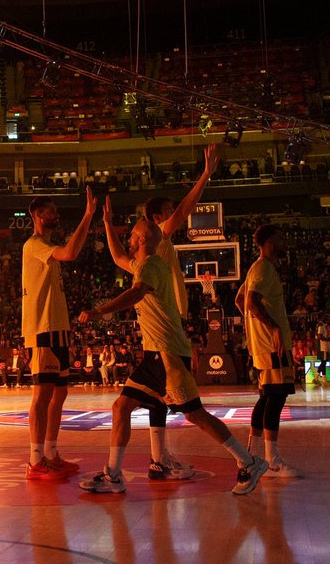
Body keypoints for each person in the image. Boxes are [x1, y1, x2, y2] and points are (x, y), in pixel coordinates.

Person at [79, 212, 267, 495]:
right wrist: (107, 223)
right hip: (156, 355)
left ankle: (249, 462)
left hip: (167, 356)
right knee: (121, 407)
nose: (128, 239)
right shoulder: (144, 264)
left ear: (142, 239)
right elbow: (118, 258)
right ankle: (113, 475)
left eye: (131, 235)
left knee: (195, 415)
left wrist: (99, 311)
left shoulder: (151, 266)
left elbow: (136, 292)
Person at [141, 143, 219, 474]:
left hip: (168, 321)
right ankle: (243, 459)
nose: (176, 214)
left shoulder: (158, 244)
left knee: (158, 394)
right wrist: (205, 175)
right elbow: (187, 209)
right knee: (184, 401)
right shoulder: (158, 236)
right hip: (166, 325)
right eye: (169, 210)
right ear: (158, 218)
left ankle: (159, 458)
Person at [22, 188, 97, 480]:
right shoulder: (34, 245)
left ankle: (51, 452)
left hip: (58, 328)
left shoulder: (46, 246)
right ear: (39, 216)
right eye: (51, 211)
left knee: (60, 393)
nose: (56, 215)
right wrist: (88, 216)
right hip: (42, 328)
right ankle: (34, 460)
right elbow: (70, 252)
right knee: (42, 395)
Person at [236, 225, 301, 479]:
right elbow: (249, 302)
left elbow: (239, 301)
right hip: (271, 345)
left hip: (261, 344)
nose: (285, 242)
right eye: (281, 238)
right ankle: (272, 461)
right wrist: (272, 327)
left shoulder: (255, 267)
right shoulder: (264, 267)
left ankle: (251, 456)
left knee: (266, 397)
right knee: (276, 398)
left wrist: (253, 325)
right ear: (270, 243)